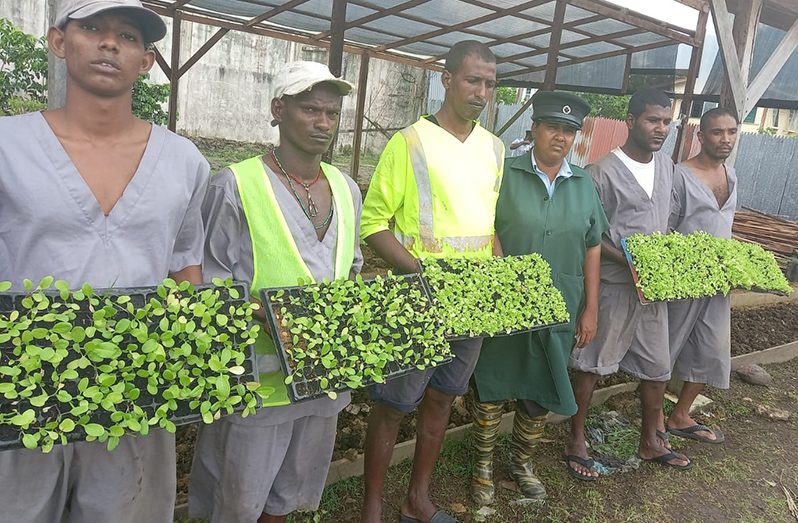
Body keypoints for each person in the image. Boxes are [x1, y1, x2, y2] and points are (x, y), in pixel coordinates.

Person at [0, 1, 209, 521]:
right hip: (23, 389)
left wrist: (196, 354)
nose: (110, 43)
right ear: (58, 41)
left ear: (146, 60)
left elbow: (186, 267)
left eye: (128, 36)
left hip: (135, 392)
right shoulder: (8, 146)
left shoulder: (185, 163)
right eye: (92, 27)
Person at [187, 61, 362, 523]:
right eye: (310, 110)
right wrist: (263, 314)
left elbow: (352, 266)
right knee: (239, 494)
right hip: (257, 382)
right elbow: (209, 281)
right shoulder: (235, 184)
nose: (323, 123)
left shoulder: (345, 189)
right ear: (278, 110)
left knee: (288, 491)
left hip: (324, 374)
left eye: (331, 113)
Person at [359, 40, 504, 523]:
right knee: (393, 404)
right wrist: (421, 273)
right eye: (472, 80)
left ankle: (417, 499)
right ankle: (372, 506)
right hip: (417, 299)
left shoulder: (494, 148)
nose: (481, 91)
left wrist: (499, 279)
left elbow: (489, 224)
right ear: (446, 79)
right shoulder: (410, 143)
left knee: (444, 396)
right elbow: (373, 224)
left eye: (489, 83)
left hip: (473, 302)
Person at [470, 91, 609, 503]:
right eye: (552, 127)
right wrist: (503, 276)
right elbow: (484, 225)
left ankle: (522, 463)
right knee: (492, 381)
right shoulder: (505, 173)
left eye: (569, 130)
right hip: (505, 302)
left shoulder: (583, 183)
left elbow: (593, 245)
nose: (560, 137)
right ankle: (482, 466)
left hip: (561, 303)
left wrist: (591, 308)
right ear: (534, 128)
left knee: (542, 383)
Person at [567, 88, 693, 478]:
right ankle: (576, 439)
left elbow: (668, 216)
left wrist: (659, 264)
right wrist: (628, 260)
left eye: (666, 122)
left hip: (652, 291)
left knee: (657, 366)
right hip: (613, 287)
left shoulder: (668, 167)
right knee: (590, 363)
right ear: (630, 121)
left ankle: (651, 440)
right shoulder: (601, 172)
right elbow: (589, 234)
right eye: (652, 120)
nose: (660, 129)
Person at [661, 107, 739, 444]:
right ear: (701, 135)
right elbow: (665, 228)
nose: (725, 139)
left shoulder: (731, 175)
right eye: (718, 132)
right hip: (683, 279)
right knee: (666, 347)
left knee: (711, 349)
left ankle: (680, 415)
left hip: (719, 282)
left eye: (732, 132)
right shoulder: (680, 175)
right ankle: (650, 420)